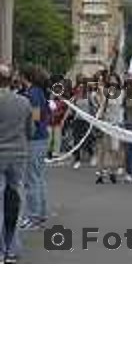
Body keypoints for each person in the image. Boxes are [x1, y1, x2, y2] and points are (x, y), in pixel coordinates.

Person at [0, 64, 32, 263]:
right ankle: (12, 247)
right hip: (18, 155)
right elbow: (30, 130)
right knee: (15, 201)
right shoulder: (24, 102)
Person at [19, 65, 51, 231]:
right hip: (42, 137)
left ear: (26, 77)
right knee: (38, 177)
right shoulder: (40, 92)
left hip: (34, 139)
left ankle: (33, 216)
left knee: (31, 179)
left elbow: (35, 117)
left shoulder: (32, 94)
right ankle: (41, 212)